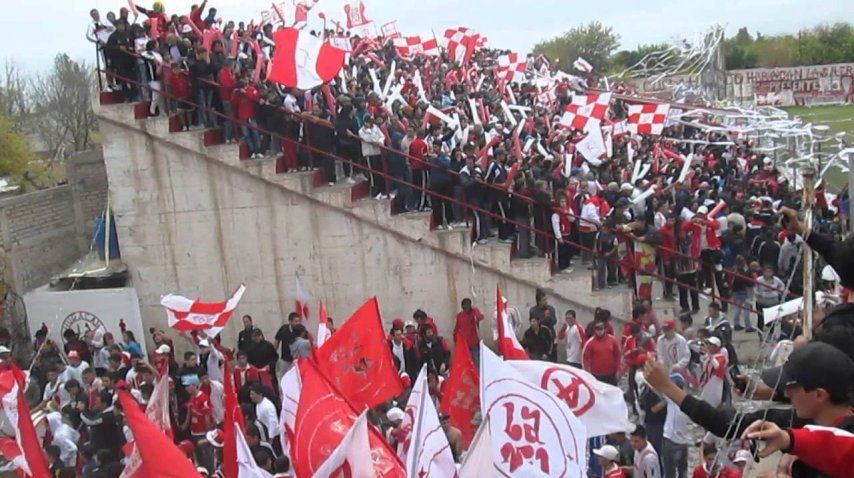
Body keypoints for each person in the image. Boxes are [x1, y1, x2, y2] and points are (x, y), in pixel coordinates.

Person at [661, 374, 691, 478]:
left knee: (669, 473)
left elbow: (659, 385)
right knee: (683, 472)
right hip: (683, 442)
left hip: (671, 440)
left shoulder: (672, 398)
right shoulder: (688, 401)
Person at [698, 337, 727, 409]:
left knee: (713, 404)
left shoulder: (721, 357)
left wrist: (709, 355)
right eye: (708, 344)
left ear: (716, 347)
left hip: (715, 383)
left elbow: (717, 366)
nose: (708, 346)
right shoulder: (707, 357)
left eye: (711, 345)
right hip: (707, 382)